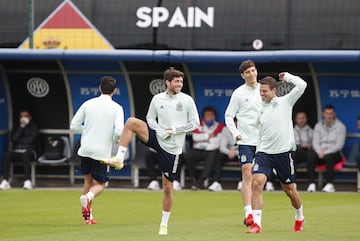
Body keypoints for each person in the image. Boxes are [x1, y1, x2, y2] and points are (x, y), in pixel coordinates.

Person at [101, 67, 200, 235]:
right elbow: (149, 118)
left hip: (173, 148)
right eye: (176, 81)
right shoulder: (157, 99)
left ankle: (164, 224)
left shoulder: (187, 100)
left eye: (181, 81)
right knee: (132, 122)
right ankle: (119, 158)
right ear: (167, 82)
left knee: (167, 188)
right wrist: (159, 129)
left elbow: (195, 123)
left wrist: (174, 130)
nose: (179, 84)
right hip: (157, 138)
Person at [247, 72, 306, 233]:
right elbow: (257, 132)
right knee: (256, 183)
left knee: (289, 190)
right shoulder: (259, 109)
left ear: (274, 91)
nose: (262, 94)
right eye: (260, 91)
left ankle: (299, 216)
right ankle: (257, 224)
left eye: (265, 91)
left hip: (283, 154)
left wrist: (287, 77)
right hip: (264, 153)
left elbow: (302, 85)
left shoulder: (285, 102)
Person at [70, 76, 124, 224]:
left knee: (87, 181)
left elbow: (73, 126)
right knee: (100, 184)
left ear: (100, 88)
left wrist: (86, 130)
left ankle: (89, 217)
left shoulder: (88, 104)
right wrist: (113, 138)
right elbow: (119, 132)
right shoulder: (117, 108)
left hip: (85, 150)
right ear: (114, 91)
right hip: (101, 153)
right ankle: (87, 198)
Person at [224, 60, 262, 226]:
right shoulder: (238, 93)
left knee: (258, 180)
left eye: (253, 71)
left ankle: (257, 215)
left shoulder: (265, 90)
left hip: (264, 142)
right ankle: (248, 214)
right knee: (247, 174)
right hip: (245, 141)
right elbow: (228, 116)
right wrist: (236, 133)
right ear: (243, 75)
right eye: (248, 72)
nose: (252, 74)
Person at [184, 106, 224, 190]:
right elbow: (195, 138)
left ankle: (202, 180)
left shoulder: (219, 126)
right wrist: (208, 137)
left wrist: (202, 139)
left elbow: (216, 143)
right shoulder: (198, 125)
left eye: (212, 115)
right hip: (198, 150)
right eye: (208, 115)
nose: (210, 117)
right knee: (188, 155)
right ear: (204, 117)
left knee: (213, 154)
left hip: (211, 151)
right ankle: (196, 178)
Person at [309, 104, 346, 193]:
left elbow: (339, 145)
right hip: (320, 153)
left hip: (335, 153)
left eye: (331, 113)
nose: (329, 116)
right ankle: (311, 183)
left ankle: (329, 184)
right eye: (327, 113)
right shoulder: (318, 126)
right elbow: (315, 142)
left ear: (334, 114)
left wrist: (326, 152)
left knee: (330, 156)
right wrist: (319, 152)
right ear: (323, 114)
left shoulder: (341, 126)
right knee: (310, 156)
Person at [0, 109, 39, 190]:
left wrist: (21, 142)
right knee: (7, 155)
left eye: (25, 116)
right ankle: (6, 181)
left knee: (25, 155)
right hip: (17, 150)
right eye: (21, 116)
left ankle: (27, 181)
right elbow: (13, 139)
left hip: (30, 151)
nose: (23, 118)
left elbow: (32, 140)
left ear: (30, 117)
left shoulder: (34, 127)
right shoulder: (17, 126)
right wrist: (21, 127)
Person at [292, 111, 316, 192]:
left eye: (303, 118)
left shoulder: (311, 131)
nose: (301, 120)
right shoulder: (291, 130)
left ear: (306, 119)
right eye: (299, 118)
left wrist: (309, 146)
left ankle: (312, 183)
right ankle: (293, 182)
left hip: (307, 153)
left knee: (311, 156)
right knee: (293, 153)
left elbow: (315, 144)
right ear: (296, 120)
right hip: (296, 152)